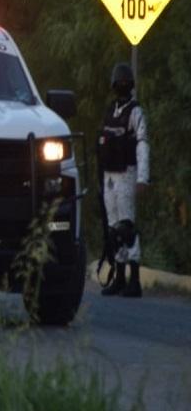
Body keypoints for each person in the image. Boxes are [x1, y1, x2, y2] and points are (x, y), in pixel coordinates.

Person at [98, 62, 149, 297]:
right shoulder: (111, 110)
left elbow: (142, 145)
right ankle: (119, 277)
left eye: (124, 82)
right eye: (119, 82)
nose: (122, 85)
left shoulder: (135, 112)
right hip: (109, 175)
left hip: (127, 173)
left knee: (126, 227)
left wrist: (142, 178)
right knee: (113, 228)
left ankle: (135, 279)